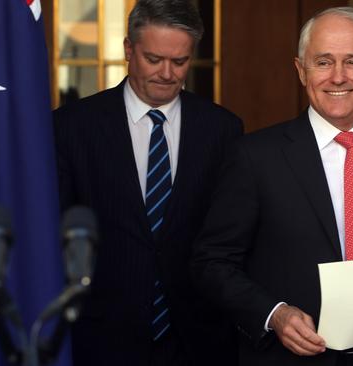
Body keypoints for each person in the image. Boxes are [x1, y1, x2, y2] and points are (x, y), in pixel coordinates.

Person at [191, 6, 353, 366]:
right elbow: (212, 262)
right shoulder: (254, 157)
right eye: (324, 62)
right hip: (286, 357)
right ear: (301, 70)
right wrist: (274, 314)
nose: (338, 77)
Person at [53, 0, 242, 365]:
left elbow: (229, 236)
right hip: (100, 336)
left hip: (198, 336)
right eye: (154, 59)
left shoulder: (223, 129)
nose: (167, 73)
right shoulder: (71, 127)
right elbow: (56, 231)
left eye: (180, 61)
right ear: (128, 49)